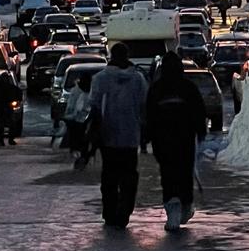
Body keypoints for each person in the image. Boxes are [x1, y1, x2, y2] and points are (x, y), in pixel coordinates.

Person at [144, 51, 206, 232]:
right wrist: (200, 131)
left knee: (168, 173)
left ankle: (173, 207)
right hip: (184, 139)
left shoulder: (157, 88)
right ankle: (184, 205)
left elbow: (149, 114)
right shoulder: (188, 87)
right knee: (185, 173)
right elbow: (199, 111)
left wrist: (147, 136)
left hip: (162, 140)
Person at [88, 42, 147, 228]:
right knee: (129, 177)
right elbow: (144, 106)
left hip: (108, 137)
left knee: (109, 177)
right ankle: (125, 210)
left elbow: (94, 107)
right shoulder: (138, 79)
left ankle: (110, 211)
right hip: (130, 138)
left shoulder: (100, 79)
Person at [62, 74, 94, 167]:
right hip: (77, 120)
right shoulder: (79, 92)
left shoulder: (78, 91)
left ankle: (80, 155)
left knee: (80, 140)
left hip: (79, 120)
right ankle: (80, 155)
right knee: (80, 140)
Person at [0, 72, 19, 146]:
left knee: (11, 124)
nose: (5, 79)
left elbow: (17, 93)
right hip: (1, 108)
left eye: (6, 78)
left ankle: (10, 139)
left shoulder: (10, 87)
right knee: (1, 125)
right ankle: (1, 140)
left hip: (8, 107)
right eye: (4, 78)